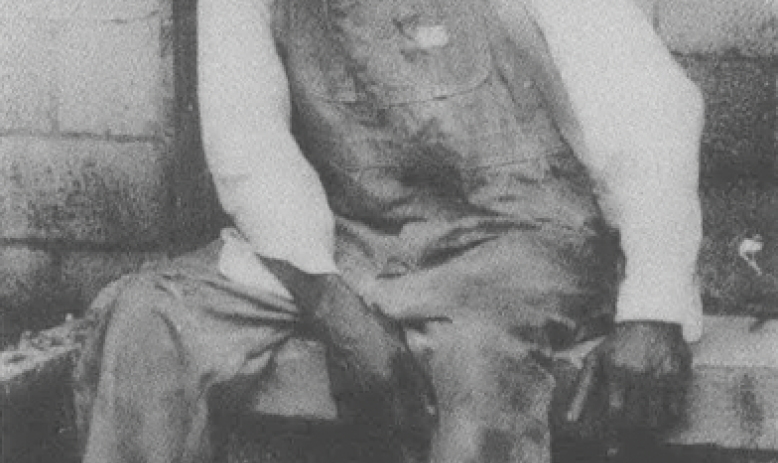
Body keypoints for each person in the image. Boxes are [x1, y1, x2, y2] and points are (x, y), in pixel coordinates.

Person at [73, 0, 706, 461]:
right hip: (345, 239)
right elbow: (246, 138)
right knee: (148, 321)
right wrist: (330, 302)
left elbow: (648, 109)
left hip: (516, 239)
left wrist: (653, 304)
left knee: (482, 363)